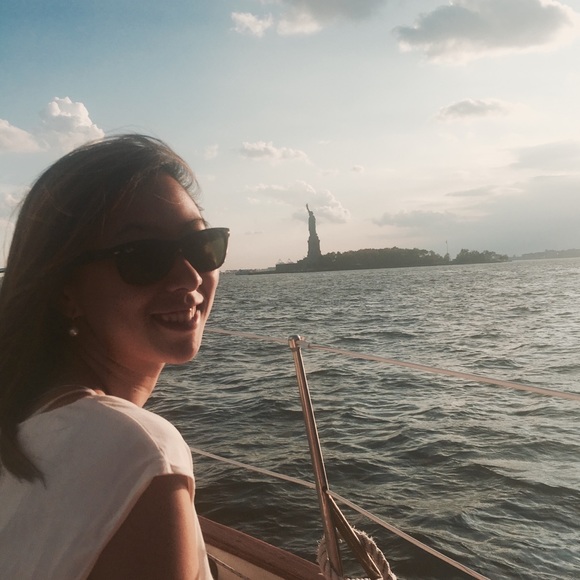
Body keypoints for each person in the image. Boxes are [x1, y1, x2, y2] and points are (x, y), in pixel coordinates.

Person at [0, 134, 229, 579]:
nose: (188, 277)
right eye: (142, 256)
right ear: (66, 291)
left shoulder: (21, 421)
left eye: (202, 245)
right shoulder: (142, 455)